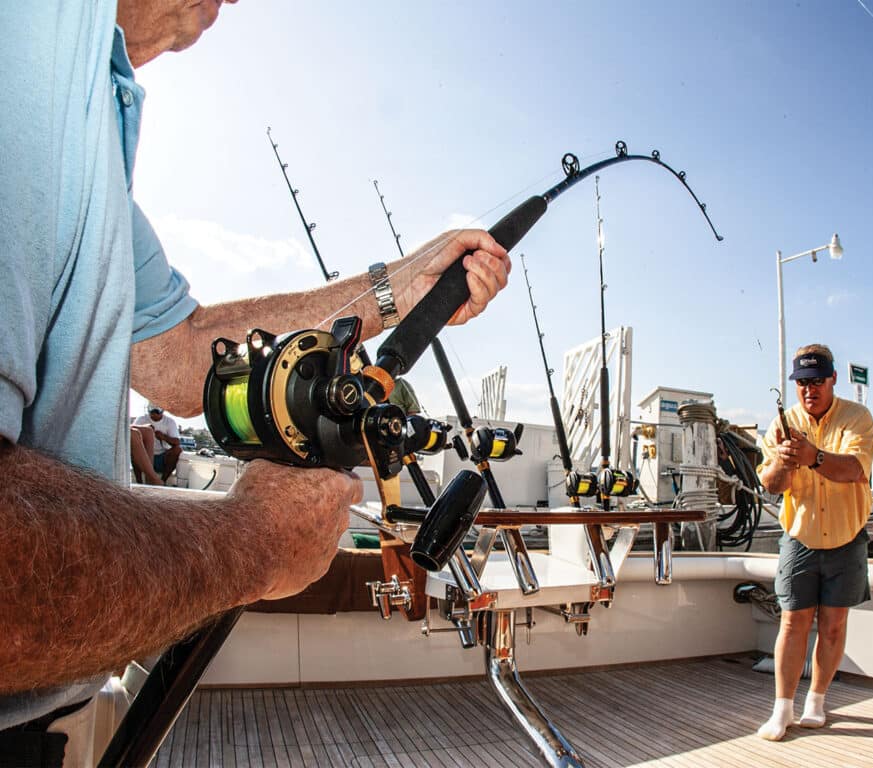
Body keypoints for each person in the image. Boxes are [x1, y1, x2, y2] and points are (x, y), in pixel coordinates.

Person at [0, 0, 511, 757]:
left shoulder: (91, 107)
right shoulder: (21, 50)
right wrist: (250, 542)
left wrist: (398, 287)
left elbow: (183, 349)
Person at [756, 344, 873, 741]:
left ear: (832, 380)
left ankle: (817, 701)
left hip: (847, 537)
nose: (809, 390)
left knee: (833, 625)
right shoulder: (781, 424)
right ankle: (782, 709)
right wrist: (783, 460)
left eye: (817, 382)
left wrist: (812, 456)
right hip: (800, 538)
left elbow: (855, 470)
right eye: (802, 383)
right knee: (792, 623)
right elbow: (772, 485)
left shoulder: (857, 418)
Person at [131, 404, 182, 484]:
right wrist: (145, 430)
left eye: (157, 410)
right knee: (133, 450)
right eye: (151, 409)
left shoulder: (169, 422)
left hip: (161, 457)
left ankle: (163, 481)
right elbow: (132, 433)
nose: (154, 414)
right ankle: (139, 482)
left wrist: (164, 437)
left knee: (177, 450)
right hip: (144, 455)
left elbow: (177, 442)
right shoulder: (141, 419)